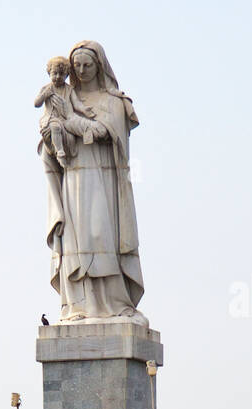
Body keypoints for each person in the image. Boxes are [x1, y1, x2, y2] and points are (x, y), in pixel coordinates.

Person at [43, 41, 145, 321]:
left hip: (104, 180)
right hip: (74, 179)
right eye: (76, 66)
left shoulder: (114, 102)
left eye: (88, 65)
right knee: (77, 243)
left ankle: (114, 303)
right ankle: (78, 305)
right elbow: (49, 142)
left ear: (99, 66)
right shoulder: (62, 97)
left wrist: (87, 128)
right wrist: (54, 139)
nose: (82, 70)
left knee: (102, 235)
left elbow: (116, 141)